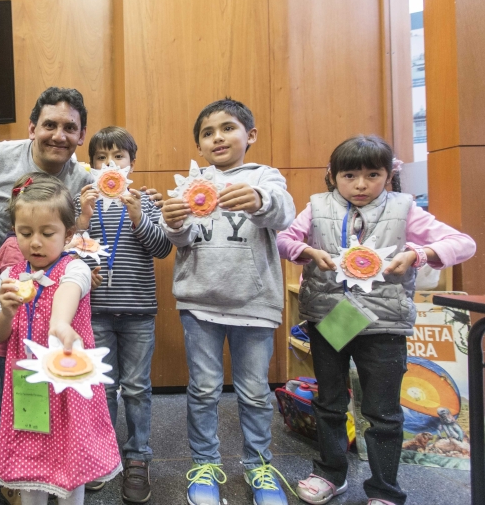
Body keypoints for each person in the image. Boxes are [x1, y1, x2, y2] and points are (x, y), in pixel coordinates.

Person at [277, 135, 476, 505]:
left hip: (384, 327)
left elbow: (463, 243)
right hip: (330, 320)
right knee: (330, 402)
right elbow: (282, 239)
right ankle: (330, 474)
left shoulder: (405, 208)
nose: (361, 184)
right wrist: (306, 250)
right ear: (333, 176)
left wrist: (420, 253)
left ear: (389, 175)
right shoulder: (317, 206)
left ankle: (384, 490)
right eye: (349, 175)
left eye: (373, 174)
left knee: (383, 412)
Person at [160, 98, 296, 505]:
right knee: (202, 390)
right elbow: (181, 241)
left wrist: (260, 200)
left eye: (227, 128)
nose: (217, 137)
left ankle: (259, 467)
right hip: (199, 303)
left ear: (249, 135)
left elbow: (283, 213)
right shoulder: (191, 180)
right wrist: (173, 222)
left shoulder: (265, 176)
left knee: (254, 392)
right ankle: (204, 465)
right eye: (207, 132)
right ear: (199, 144)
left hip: (254, 303)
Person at [0, 87, 94, 461]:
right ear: (31, 128)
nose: (59, 135)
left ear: (81, 135)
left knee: (36, 358)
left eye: (69, 127)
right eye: (50, 125)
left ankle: (50, 439)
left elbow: (83, 236)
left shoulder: (82, 179)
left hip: (50, 282)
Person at [0, 175, 122, 505]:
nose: (35, 242)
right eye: (25, 232)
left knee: (69, 459)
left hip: (67, 383)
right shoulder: (10, 277)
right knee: (29, 462)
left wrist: (60, 323)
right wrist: (5, 312)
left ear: (68, 234)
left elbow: (68, 292)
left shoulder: (74, 267)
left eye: (47, 233)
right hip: (27, 383)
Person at [73, 126, 172, 502]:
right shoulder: (86, 201)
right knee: (101, 387)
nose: (110, 163)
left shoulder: (144, 202)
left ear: (132, 164)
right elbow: (69, 252)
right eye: (101, 157)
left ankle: (137, 456)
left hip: (139, 311)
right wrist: (81, 219)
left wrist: (138, 217)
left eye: (119, 157)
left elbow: (162, 249)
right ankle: (100, 455)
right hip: (95, 312)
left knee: (137, 388)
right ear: (92, 163)